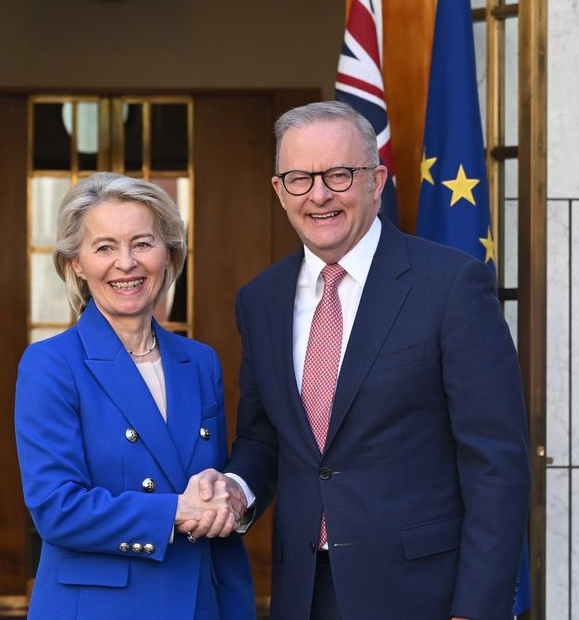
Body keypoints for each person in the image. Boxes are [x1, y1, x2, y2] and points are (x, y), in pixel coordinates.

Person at [191, 101, 530, 619]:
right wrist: (236, 490)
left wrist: (476, 610)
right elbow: (264, 440)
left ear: (376, 180)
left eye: (339, 174)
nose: (319, 195)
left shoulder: (451, 286)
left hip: (425, 597)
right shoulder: (260, 300)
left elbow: (496, 463)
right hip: (304, 595)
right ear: (279, 190)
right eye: (300, 179)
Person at [14, 172, 255, 620]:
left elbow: (209, 490)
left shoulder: (200, 362)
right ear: (76, 264)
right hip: (101, 608)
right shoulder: (51, 364)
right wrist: (175, 511)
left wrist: (223, 494)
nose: (126, 263)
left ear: (169, 254)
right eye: (105, 247)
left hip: (200, 602)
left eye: (142, 243)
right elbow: (56, 509)